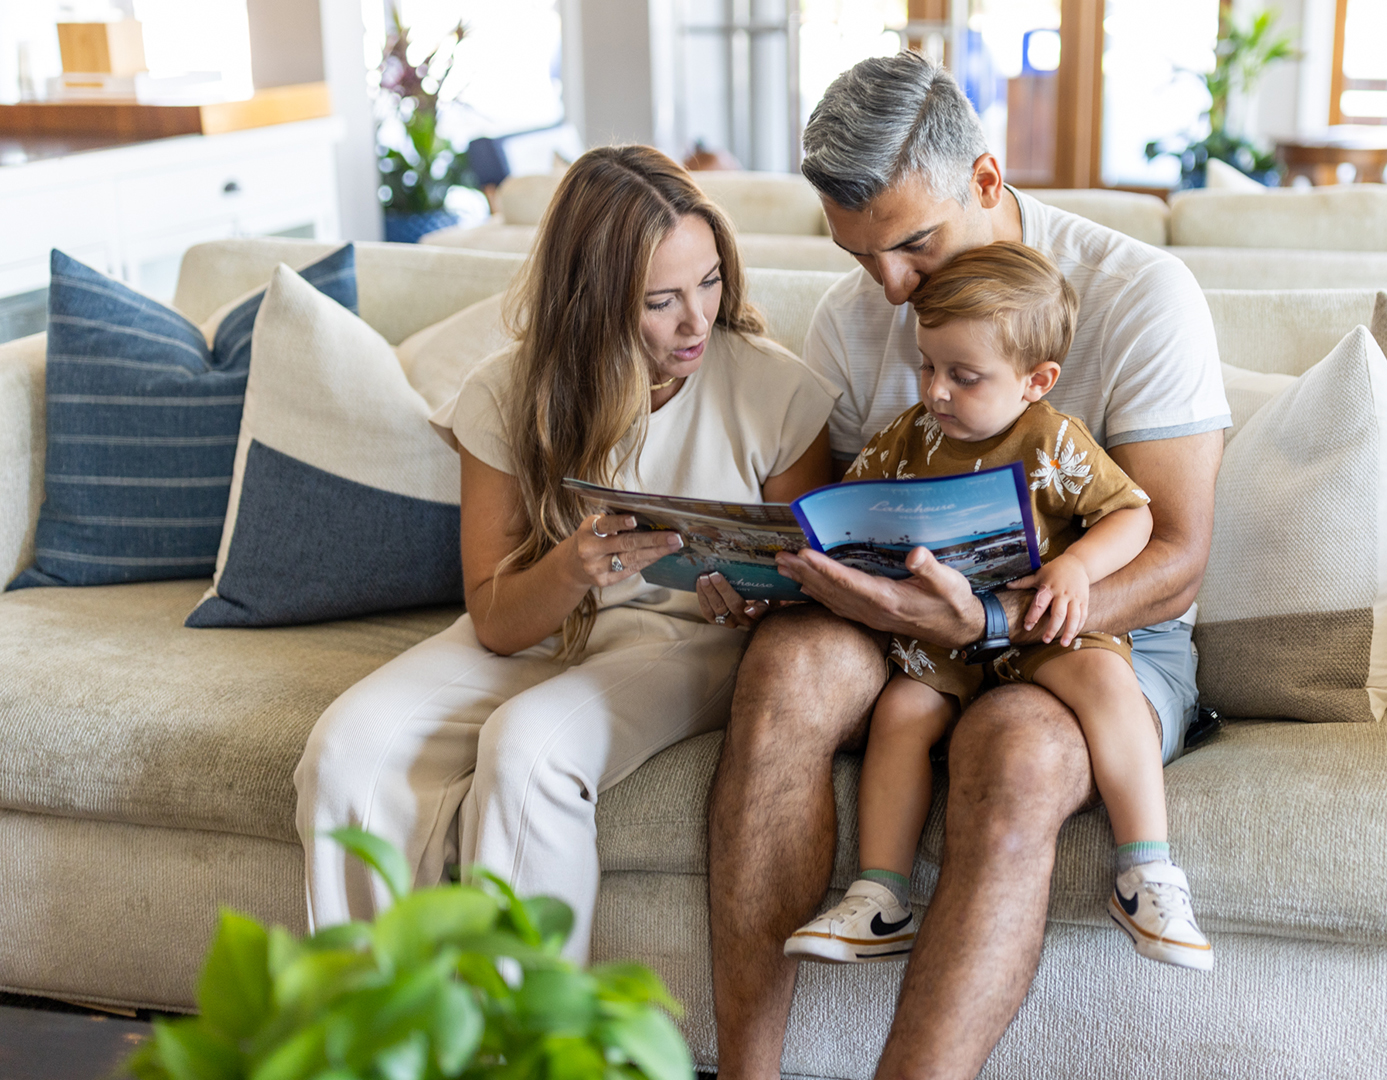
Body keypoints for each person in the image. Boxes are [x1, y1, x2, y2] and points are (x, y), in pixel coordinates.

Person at [699, 51, 1229, 1078]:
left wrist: (988, 627)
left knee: (1016, 749)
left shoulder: (1138, 296)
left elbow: (1175, 555)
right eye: (862, 257)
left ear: (987, 183)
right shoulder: (852, 321)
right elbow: (837, 518)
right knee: (785, 669)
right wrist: (762, 576)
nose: (891, 289)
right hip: (908, 622)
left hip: (1096, 638)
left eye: (912, 245)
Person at [294, 145, 837, 963]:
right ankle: (381, 1033)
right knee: (345, 754)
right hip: (548, 624)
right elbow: (498, 623)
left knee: (530, 748)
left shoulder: (776, 391)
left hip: (695, 638)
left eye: (710, 282)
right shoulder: (507, 394)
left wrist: (764, 598)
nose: (696, 320)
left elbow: (810, 584)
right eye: (661, 301)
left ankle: (531, 1047)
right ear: (593, 301)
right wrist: (570, 568)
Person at [780, 242, 1212, 971]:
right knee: (900, 714)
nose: (936, 391)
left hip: (1042, 626)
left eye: (963, 376)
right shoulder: (908, 438)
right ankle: (879, 897)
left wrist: (1077, 566)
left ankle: (1148, 874)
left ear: (1035, 381)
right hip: (943, 643)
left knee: (1110, 686)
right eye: (927, 367)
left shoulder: (1052, 439)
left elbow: (1133, 515)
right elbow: (845, 505)